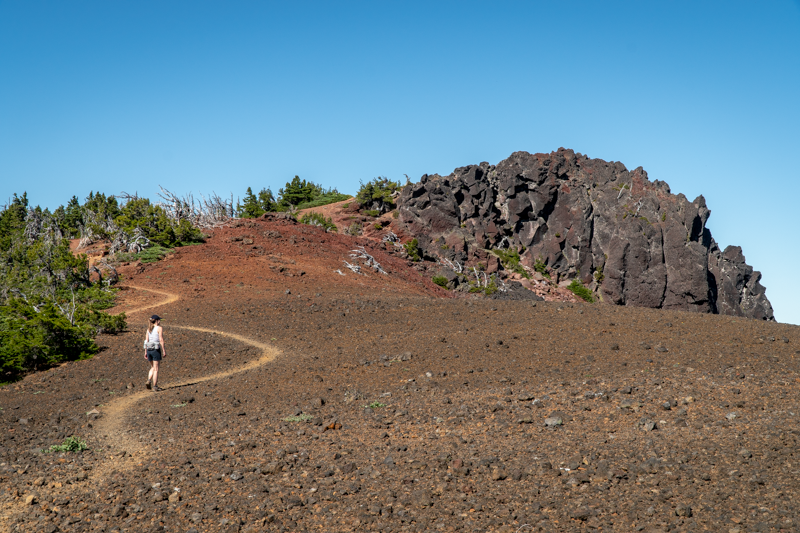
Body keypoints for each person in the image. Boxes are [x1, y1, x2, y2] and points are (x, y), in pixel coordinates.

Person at [144, 314, 166, 391]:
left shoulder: (148, 329)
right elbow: (161, 339)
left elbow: (146, 341)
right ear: (157, 321)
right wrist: (163, 350)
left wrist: (145, 352)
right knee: (156, 369)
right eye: (159, 320)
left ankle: (149, 380)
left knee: (152, 367)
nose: (160, 321)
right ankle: (155, 386)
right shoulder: (159, 328)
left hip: (149, 349)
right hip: (155, 350)